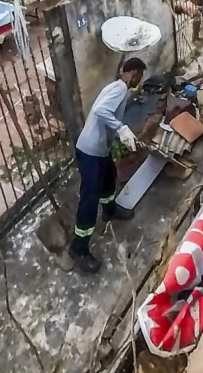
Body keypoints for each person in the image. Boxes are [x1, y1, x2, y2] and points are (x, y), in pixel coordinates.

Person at [69, 57, 145, 274]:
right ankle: (79, 247)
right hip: (90, 150)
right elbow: (101, 111)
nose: (140, 80)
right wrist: (120, 128)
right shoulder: (120, 88)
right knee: (89, 198)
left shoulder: (117, 87)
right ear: (133, 73)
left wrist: (119, 135)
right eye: (140, 75)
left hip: (100, 148)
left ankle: (110, 210)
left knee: (109, 176)